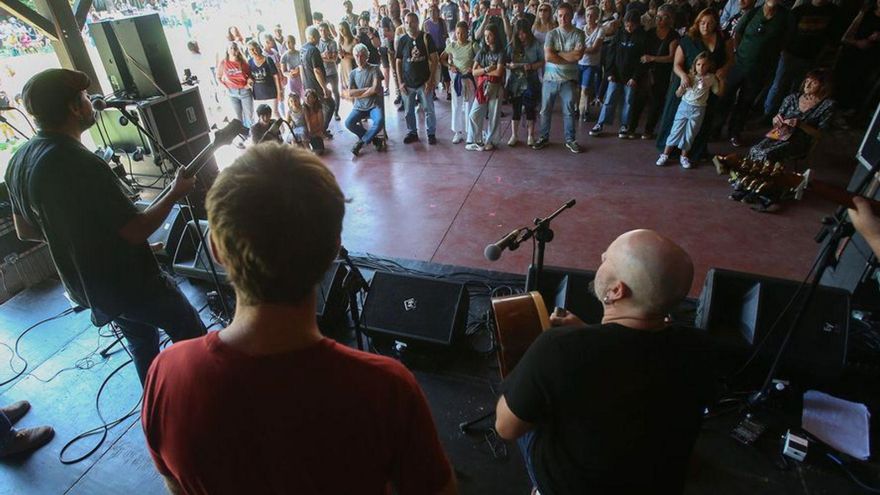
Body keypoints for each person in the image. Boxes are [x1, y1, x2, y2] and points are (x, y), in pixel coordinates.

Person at [142, 144, 458, 495]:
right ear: (332, 251)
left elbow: (177, 486)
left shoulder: (166, 375)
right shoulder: (388, 390)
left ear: (215, 249)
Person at [5, 69, 206, 385]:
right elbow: (135, 230)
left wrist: (92, 244)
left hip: (92, 289)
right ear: (74, 108)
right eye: (84, 97)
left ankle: (155, 409)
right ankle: (204, 403)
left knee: (142, 343)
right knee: (191, 332)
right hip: (130, 283)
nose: (90, 101)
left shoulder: (19, 160)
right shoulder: (80, 163)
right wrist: (175, 193)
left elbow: (26, 230)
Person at [495, 229, 713, 494]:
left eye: (607, 258)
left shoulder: (558, 348)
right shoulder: (701, 348)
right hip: (656, 480)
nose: (601, 256)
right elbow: (631, 363)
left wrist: (531, 367)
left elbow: (506, 428)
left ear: (616, 291)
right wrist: (585, 332)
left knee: (529, 411)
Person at [655, 9, 732, 161]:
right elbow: (677, 64)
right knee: (676, 119)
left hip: (708, 84)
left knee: (701, 121)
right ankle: (669, 151)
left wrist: (723, 70)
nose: (705, 26)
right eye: (702, 23)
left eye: (710, 23)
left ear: (716, 24)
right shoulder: (688, 40)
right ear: (697, 23)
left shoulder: (724, 39)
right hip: (687, 83)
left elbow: (731, 60)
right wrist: (683, 76)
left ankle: (693, 151)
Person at [720, 0, 787, 147]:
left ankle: (734, 132)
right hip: (739, 64)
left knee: (745, 102)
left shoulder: (785, 17)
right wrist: (737, 52)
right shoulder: (753, 13)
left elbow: (786, 41)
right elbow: (737, 32)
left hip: (760, 69)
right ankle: (716, 128)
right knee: (726, 95)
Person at [763, 0, 842, 118]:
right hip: (790, 54)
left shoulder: (833, 12)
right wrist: (783, 49)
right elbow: (786, 31)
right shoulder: (800, 10)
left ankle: (788, 117)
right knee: (778, 85)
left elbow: (832, 36)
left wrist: (822, 54)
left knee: (798, 89)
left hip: (811, 56)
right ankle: (768, 114)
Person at [748, 69, 834, 163]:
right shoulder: (792, 98)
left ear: (822, 86)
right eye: (807, 81)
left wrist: (800, 124)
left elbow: (820, 134)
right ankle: (749, 175)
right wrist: (776, 120)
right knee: (755, 150)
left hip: (799, 141)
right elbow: (776, 122)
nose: (807, 85)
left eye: (814, 83)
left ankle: (764, 175)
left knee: (768, 154)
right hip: (781, 134)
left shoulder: (827, 106)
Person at [533, 2, 586, 153]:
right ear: (557, 16)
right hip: (550, 78)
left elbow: (578, 55)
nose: (563, 18)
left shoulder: (579, 34)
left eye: (566, 15)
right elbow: (548, 57)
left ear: (572, 16)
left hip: (569, 80)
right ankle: (543, 137)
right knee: (545, 110)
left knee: (569, 111)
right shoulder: (552, 34)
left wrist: (558, 53)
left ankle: (570, 140)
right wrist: (566, 56)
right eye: (560, 15)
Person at [657, 52, 723, 168]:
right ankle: (665, 154)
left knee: (690, 133)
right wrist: (682, 87)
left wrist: (721, 79)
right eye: (698, 64)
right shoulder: (689, 77)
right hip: (685, 106)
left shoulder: (711, 78)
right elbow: (677, 94)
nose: (701, 68)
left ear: (709, 66)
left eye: (704, 65)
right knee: (675, 130)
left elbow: (718, 92)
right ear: (694, 65)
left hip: (699, 109)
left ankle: (684, 156)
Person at [590, 10, 647, 139]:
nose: (629, 27)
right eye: (627, 24)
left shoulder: (641, 37)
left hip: (631, 78)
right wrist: (609, 72)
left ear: (637, 24)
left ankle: (624, 125)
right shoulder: (619, 34)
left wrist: (635, 77)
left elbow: (642, 61)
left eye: (632, 25)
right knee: (609, 100)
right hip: (615, 75)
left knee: (628, 102)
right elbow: (611, 55)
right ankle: (600, 124)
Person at [629, 4, 678, 139]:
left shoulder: (673, 35)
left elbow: (671, 57)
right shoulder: (649, 33)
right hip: (646, 72)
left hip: (662, 73)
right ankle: (631, 128)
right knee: (638, 101)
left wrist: (653, 58)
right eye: (658, 17)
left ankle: (648, 130)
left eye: (664, 17)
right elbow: (641, 52)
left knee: (656, 103)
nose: (660, 20)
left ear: (671, 19)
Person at [396, 12, 440, 144]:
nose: (410, 25)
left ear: (417, 22)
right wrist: (400, 82)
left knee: (429, 109)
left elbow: (434, 59)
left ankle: (431, 133)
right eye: (407, 22)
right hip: (408, 83)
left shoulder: (426, 38)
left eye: (412, 22)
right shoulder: (403, 40)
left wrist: (430, 80)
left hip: (424, 82)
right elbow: (398, 61)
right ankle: (412, 132)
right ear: (404, 23)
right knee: (408, 111)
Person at [834, 0, 880, 115]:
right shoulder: (865, 14)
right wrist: (858, 43)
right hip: (852, 55)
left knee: (858, 86)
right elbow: (845, 37)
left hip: (871, 60)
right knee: (841, 81)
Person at [467, 23, 507, 151]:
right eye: (485, 36)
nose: (487, 38)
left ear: (495, 36)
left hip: (495, 87)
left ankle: (492, 141)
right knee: (474, 114)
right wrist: (486, 69)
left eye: (490, 35)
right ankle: (476, 139)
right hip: (482, 86)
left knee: (494, 115)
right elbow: (474, 71)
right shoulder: (481, 51)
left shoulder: (501, 52)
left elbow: (499, 72)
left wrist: (483, 71)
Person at [506, 19, 544, 146]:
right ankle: (514, 135)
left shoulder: (536, 44)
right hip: (515, 81)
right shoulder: (512, 45)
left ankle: (530, 135)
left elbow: (543, 61)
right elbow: (504, 61)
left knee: (530, 108)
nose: (521, 36)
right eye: (519, 34)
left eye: (523, 33)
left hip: (531, 80)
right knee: (516, 108)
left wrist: (532, 66)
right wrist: (510, 65)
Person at [345, 43, 387, 156]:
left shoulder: (374, 68)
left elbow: (375, 89)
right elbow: (350, 92)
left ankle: (361, 142)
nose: (359, 58)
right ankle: (375, 140)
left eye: (362, 55)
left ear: (366, 56)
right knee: (348, 123)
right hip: (359, 107)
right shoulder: (353, 73)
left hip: (374, 105)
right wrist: (367, 91)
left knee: (379, 121)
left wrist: (359, 93)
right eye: (357, 55)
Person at [442, 21, 477, 144]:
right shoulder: (452, 45)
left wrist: (473, 66)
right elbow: (442, 58)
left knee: (470, 104)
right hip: (457, 78)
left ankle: (470, 132)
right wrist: (450, 66)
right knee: (456, 105)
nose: (460, 36)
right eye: (458, 33)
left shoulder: (472, 45)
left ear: (467, 33)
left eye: (463, 33)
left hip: (469, 78)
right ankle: (458, 132)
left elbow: (479, 57)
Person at [301, 26, 335, 135]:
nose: (319, 38)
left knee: (315, 109)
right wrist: (324, 88)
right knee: (330, 105)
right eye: (317, 36)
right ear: (313, 37)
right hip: (316, 86)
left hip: (307, 85)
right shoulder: (313, 50)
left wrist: (304, 85)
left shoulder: (302, 49)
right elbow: (317, 70)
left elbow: (301, 68)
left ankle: (317, 130)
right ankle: (322, 130)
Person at [577, 6, 605, 122]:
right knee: (577, 88)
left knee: (585, 88)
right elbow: (575, 46)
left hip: (591, 63)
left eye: (592, 15)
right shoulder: (581, 29)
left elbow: (595, 49)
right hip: (579, 62)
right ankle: (577, 108)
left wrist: (581, 49)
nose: (589, 17)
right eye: (588, 15)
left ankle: (584, 110)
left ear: (597, 17)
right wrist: (582, 49)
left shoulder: (600, 30)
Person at [218, 42, 254, 127]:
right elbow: (218, 77)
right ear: (227, 50)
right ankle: (242, 137)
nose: (233, 50)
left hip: (244, 92)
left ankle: (250, 135)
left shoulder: (243, 63)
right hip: (231, 93)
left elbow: (250, 76)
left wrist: (248, 83)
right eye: (231, 48)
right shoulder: (223, 62)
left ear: (238, 50)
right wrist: (225, 87)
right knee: (237, 119)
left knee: (249, 117)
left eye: (235, 48)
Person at [247, 41, 282, 118]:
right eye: (250, 50)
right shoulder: (249, 62)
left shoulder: (268, 60)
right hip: (258, 94)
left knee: (274, 113)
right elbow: (249, 76)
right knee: (261, 116)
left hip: (271, 92)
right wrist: (249, 80)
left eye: (254, 49)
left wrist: (279, 92)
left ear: (258, 48)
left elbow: (276, 76)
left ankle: (282, 130)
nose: (253, 51)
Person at [318, 22, 342, 122]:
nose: (323, 32)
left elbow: (334, 59)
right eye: (321, 30)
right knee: (323, 93)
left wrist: (321, 57)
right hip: (322, 72)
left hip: (332, 71)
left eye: (325, 30)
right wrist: (323, 56)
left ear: (328, 30)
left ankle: (336, 112)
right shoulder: (317, 43)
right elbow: (317, 59)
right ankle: (326, 112)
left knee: (336, 92)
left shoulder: (333, 42)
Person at [303, 88, 327, 154]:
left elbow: (321, 125)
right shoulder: (303, 108)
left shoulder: (318, 110)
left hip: (315, 132)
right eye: (306, 96)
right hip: (305, 133)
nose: (307, 99)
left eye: (309, 97)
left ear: (314, 99)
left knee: (319, 152)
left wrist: (315, 133)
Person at [338, 22, 358, 92]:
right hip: (344, 66)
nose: (341, 31)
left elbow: (358, 56)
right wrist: (340, 55)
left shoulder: (354, 40)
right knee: (347, 90)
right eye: (340, 29)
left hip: (352, 66)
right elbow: (340, 55)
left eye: (343, 29)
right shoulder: (340, 41)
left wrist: (346, 54)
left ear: (347, 29)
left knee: (354, 88)